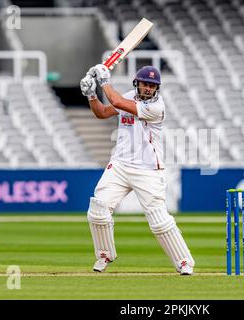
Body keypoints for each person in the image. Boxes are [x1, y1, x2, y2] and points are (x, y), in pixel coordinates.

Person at [80, 64, 195, 275]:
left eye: (153, 85)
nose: (149, 88)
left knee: (159, 220)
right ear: (137, 83)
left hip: (148, 169)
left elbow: (115, 101)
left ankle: (184, 262)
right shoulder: (128, 95)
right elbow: (103, 112)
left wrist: (104, 82)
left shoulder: (157, 107)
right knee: (98, 209)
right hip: (120, 165)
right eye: (145, 84)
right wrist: (90, 95)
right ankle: (104, 254)